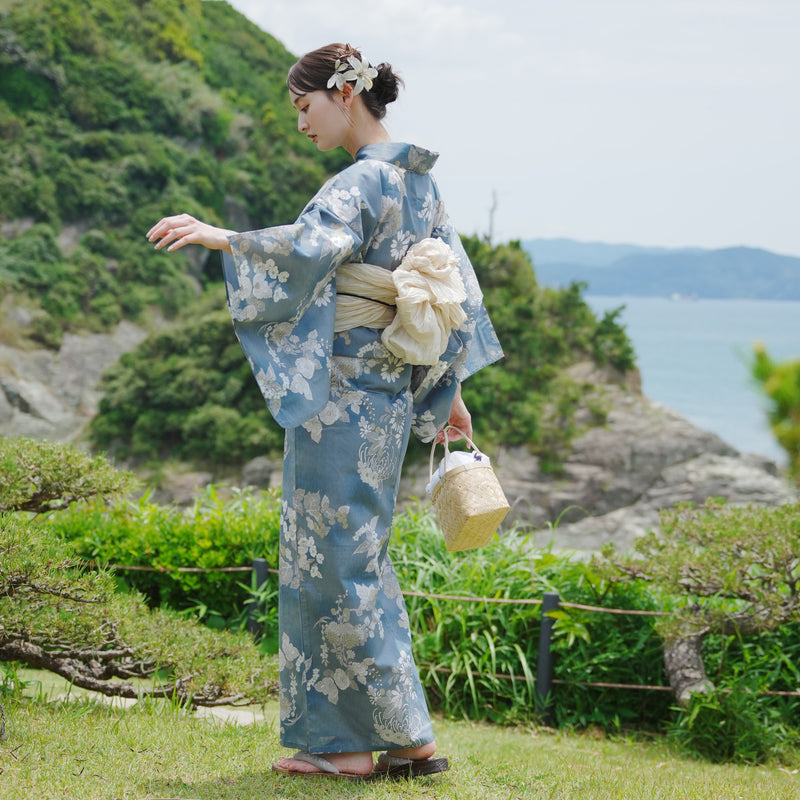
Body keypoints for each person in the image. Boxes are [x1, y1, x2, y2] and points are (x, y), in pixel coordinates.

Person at [147, 43, 503, 782]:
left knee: (328, 561)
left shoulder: (363, 180)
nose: (302, 123)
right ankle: (401, 742)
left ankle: (351, 747)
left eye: (305, 106)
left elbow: (308, 251)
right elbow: (448, 301)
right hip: (389, 391)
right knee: (357, 557)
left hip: (340, 396)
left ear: (345, 93)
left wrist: (221, 237)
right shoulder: (420, 185)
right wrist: (448, 392)